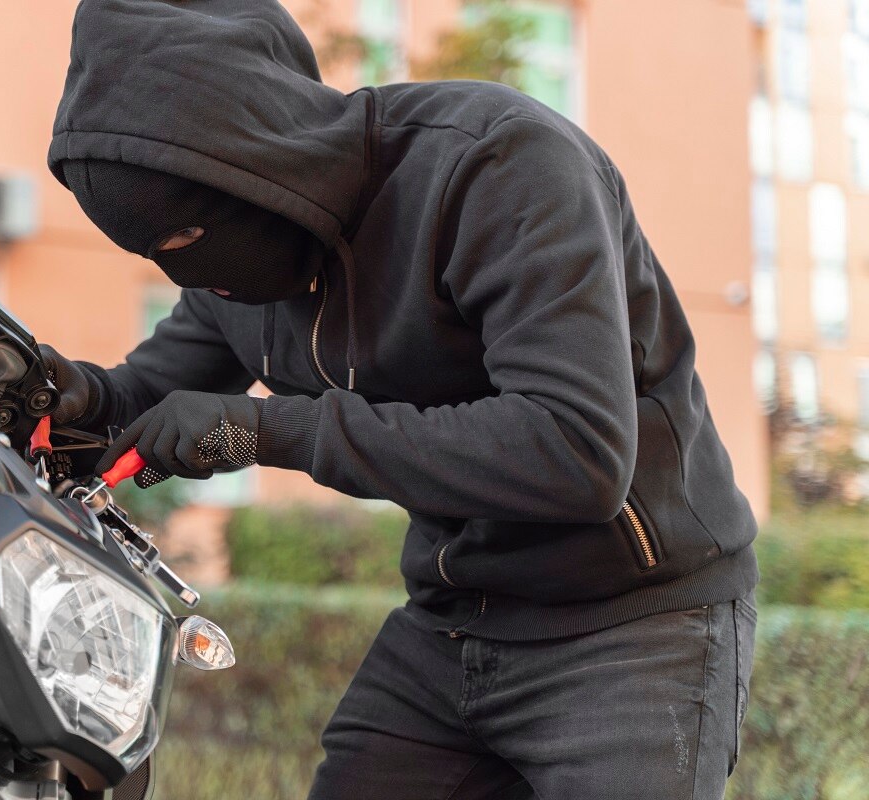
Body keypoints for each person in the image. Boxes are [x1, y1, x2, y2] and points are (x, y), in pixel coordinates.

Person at [41, 1, 759, 797]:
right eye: (149, 253)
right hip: (453, 620)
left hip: (634, 624)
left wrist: (264, 433)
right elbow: (142, 400)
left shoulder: (496, 166)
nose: (187, 275)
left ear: (250, 167)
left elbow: (577, 451)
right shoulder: (241, 272)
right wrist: (55, 389)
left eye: (181, 240)